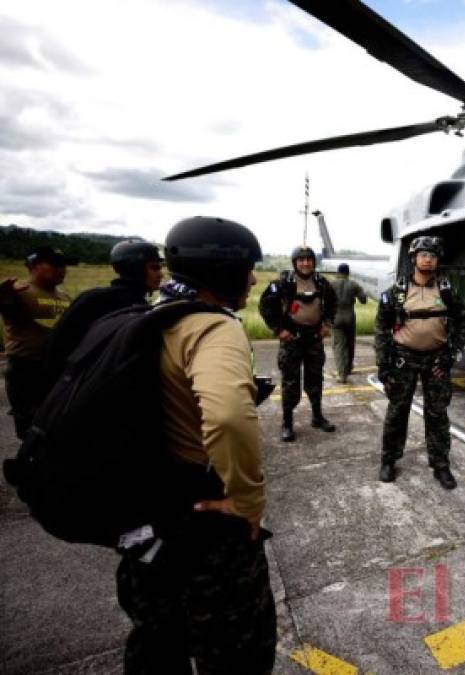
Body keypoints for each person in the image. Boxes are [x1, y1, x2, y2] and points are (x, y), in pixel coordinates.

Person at [115, 215, 276, 674]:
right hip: (200, 524)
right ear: (224, 270)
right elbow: (227, 417)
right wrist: (247, 498)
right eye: (248, 267)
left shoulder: (150, 315)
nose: (253, 278)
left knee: (157, 645)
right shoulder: (212, 327)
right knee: (238, 655)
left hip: (144, 521)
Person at [375, 235, 465, 490]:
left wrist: (451, 354)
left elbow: (462, 323)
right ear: (414, 258)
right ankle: (389, 460)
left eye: (433, 256)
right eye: (424, 255)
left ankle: (440, 464)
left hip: (436, 360)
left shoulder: (447, 291)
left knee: (437, 413)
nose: (428, 260)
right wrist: (383, 365)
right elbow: (382, 329)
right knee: (397, 411)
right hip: (404, 359)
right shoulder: (397, 292)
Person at [44, 239, 164, 384]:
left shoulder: (92, 297)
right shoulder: (122, 304)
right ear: (136, 269)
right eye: (155, 268)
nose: (161, 274)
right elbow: (58, 346)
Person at [259, 245, 337, 441]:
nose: (305, 263)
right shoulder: (283, 283)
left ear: (314, 262)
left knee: (315, 379)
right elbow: (266, 305)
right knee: (290, 382)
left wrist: (327, 324)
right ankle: (287, 422)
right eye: (301, 260)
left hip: (314, 339)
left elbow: (333, 303)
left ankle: (317, 417)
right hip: (291, 339)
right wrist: (278, 330)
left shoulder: (321, 282)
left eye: (309, 259)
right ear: (295, 263)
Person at [0, 246, 76, 438]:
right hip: (27, 370)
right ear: (32, 265)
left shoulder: (65, 297)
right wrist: (4, 298)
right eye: (54, 265)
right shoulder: (19, 292)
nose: (62, 269)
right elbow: (6, 305)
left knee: (59, 426)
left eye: (64, 265)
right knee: (31, 433)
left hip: (58, 369)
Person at [331, 262, 367, 383]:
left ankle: (342, 374)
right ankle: (349, 367)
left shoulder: (331, 284)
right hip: (350, 316)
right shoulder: (353, 284)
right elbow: (363, 300)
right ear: (348, 273)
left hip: (335, 317)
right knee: (350, 343)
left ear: (338, 272)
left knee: (339, 346)